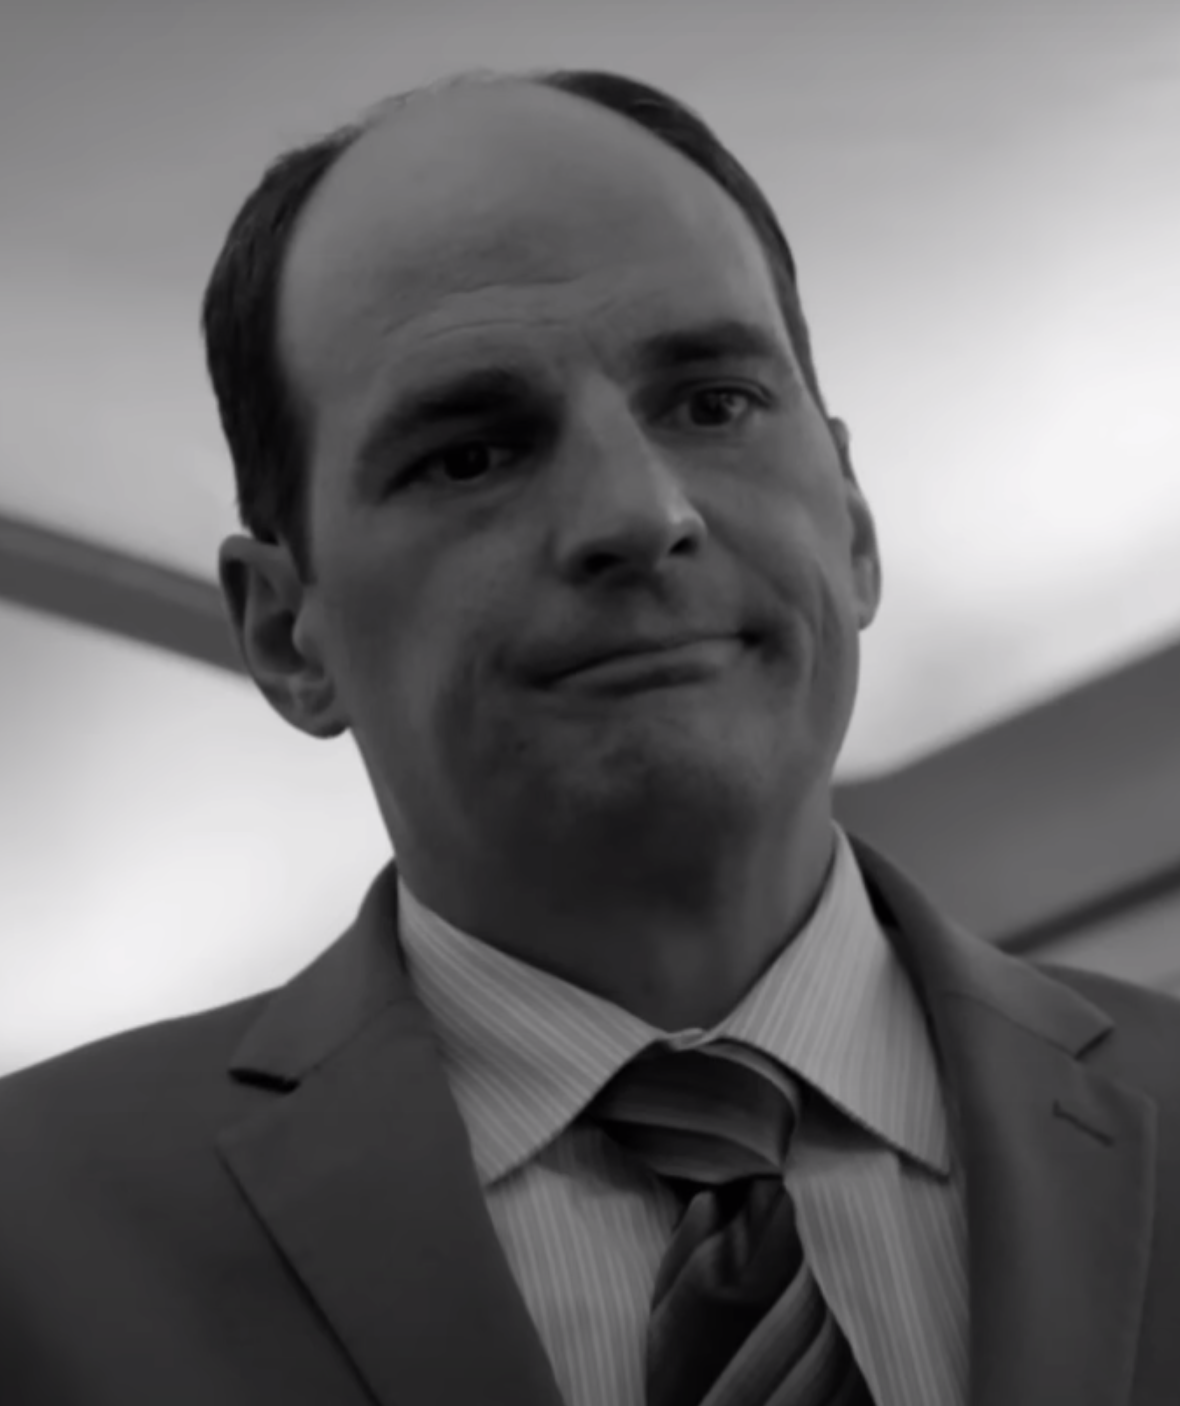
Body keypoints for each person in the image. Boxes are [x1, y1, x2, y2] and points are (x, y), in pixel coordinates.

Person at [1, 66, 1178, 1406]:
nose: (639, 511)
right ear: (286, 632)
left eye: (714, 402)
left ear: (854, 522)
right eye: (471, 453)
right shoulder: (31, 1244)